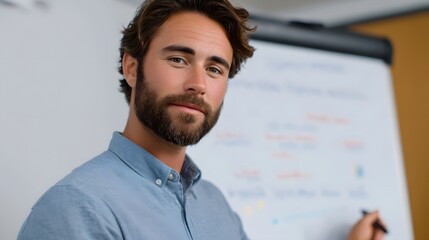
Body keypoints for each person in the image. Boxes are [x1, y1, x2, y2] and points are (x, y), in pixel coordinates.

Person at [17, 0, 386, 239]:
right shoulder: (77, 208)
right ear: (132, 67)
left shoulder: (214, 206)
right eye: (178, 59)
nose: (198, 85)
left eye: (214, 68)